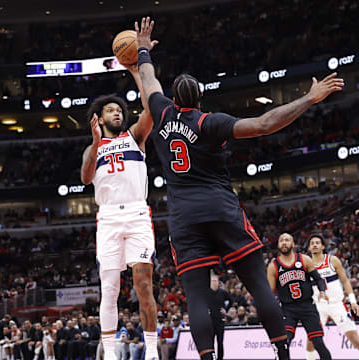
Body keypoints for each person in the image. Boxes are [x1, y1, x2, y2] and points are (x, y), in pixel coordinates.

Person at [134, 16, 344, 360]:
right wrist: (308, 99)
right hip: (220, 208)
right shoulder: (209, 122)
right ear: (200, 98)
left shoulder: (159, 111)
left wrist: (143, 49)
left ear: (173, 100)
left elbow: (148, 79)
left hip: (184, 217)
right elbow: (263, 124)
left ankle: (205, 357)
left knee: (197, 297)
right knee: (258, 284)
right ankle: (282, 353)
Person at [80, 60, 159, 360]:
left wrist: (137, 74)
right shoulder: (93, 149)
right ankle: (110, 353)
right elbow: (86, 178)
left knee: (143, 284)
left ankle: (152, 351)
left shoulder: (135, 136)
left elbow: (151, 108)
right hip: (109, 217)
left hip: (137, 214)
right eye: (111, 110)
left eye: (120, 110)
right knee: (110, 289)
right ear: (99, 118)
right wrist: (96, 144)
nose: (117, 113)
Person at [267, 233, 332, 359]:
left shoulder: (304, 259)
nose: (284, 243)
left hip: (307, 306)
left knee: (318, 343)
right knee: (284, 343)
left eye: (287, 240)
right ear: (278, 245)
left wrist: (322, 292)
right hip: (287, 309)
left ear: (293, 244)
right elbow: (270, 293)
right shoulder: (273, 266)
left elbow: (319, 279)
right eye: (281, 240)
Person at [306, 234, 359, 360]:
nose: (314, 245)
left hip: (337, 305)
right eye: (312, 243)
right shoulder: (306, 265)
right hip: (317, 307)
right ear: (308, 248)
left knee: (354, 338)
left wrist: (352, 301)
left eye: (317, 242)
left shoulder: (332, 260)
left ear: (323, 246)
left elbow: (345, 281)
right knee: (311, 341)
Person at [208, 274, 231, 360]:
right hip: (210, 320)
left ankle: (220, 358)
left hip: (220, 320)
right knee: (211, 342)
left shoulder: (223, 292)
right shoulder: (206, 292)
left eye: (215, 281)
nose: (214, 283)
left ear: (218, 282)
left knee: (220, 341)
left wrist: (226, 309)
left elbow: (231, 300)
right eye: (212, 281)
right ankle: (212, 357)